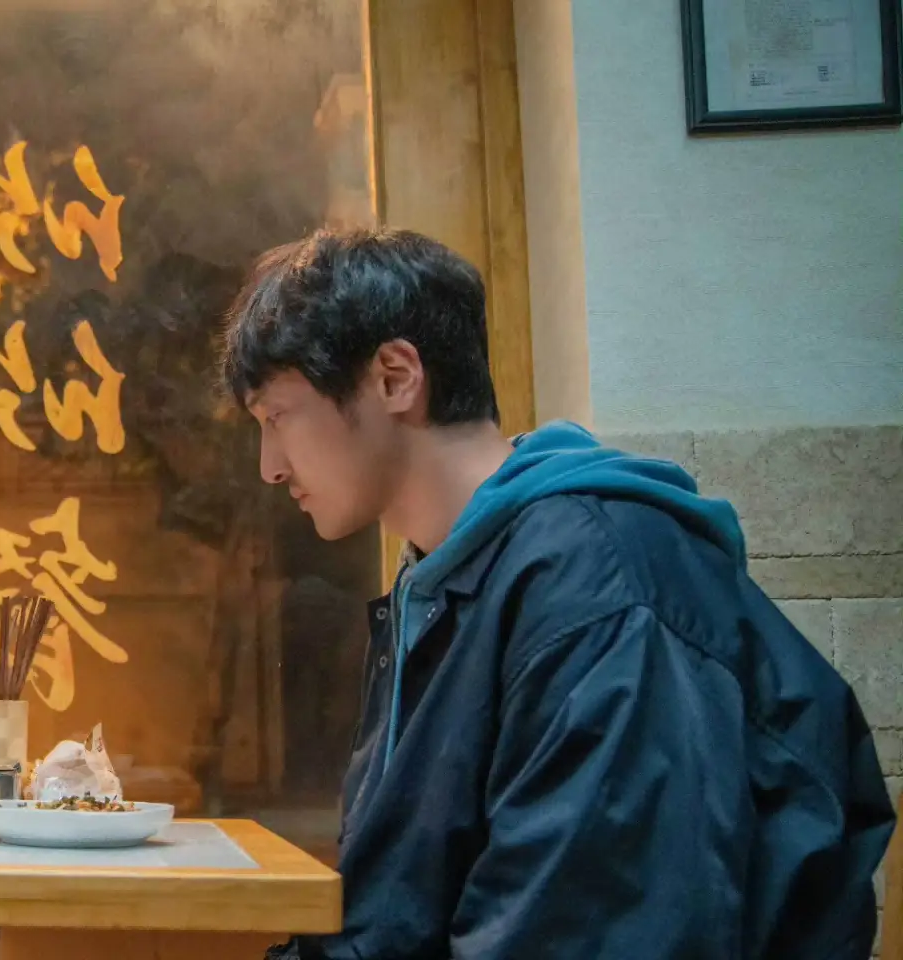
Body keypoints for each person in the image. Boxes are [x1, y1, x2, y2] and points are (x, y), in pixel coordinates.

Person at [220, 228, 894, 959]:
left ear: (394, 377)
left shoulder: (596, 590)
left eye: (277, 417)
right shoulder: (447, 583)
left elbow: (589, 936)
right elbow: (396, 919)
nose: (269, 467)